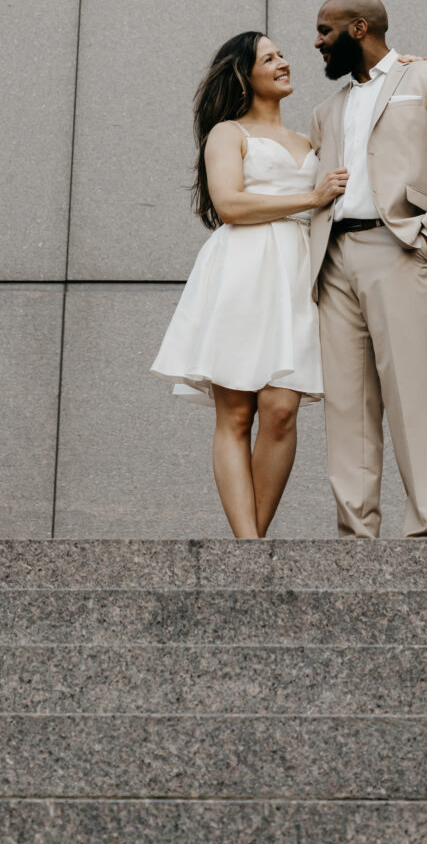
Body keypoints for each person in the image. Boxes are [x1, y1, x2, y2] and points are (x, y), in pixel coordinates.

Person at [150, 31, 348, 539]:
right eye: (270, 57)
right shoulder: (227, 133)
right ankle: (249, 549)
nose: (284, 62)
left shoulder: (311, 140)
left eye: (282, 54)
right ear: (246, 73)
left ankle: (249, 550)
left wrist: (400, 63)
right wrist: (310, 200)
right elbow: (230, 205)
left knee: (282, 411)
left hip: (295, 276)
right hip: (242, 270)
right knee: (236, 415)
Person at [309, 0, 427, 539]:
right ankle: (355, 537)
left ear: (359, 28)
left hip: (399, 248)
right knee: (346, 404)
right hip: (334, 260)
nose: (317, 42)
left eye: (325, 30)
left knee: (410, 395)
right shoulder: (326, 110)